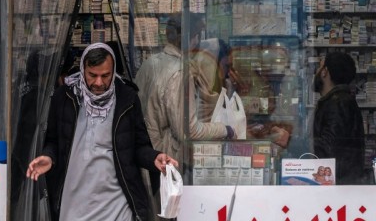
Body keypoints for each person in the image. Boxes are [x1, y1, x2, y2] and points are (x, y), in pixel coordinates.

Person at [27, 42, 178, 221]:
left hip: (117, 203)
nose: (99, 83)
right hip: (74, 203)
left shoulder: (127, 99)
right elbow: (53, 140)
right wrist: (49, 157)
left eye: (105, 76)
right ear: (83, 69)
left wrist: (154, 158)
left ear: (113, 71)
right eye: (92, 75)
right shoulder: (64, 97)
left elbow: (139, 146)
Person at [135, 14, 237, 168]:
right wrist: (225, 129)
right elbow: (189, 131)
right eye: (198, 37)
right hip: (165, 159)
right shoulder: (181, 72)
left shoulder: (148, 64)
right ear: (193, 38)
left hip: (146, 157)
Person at [312, 51, 365, 185]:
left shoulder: (338, 103)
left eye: (320, 66)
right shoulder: (338, 101)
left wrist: (293, 141)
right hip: (341, 183)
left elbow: (328, 148)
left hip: (339, 185)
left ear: (325, 72)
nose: (317, 71)